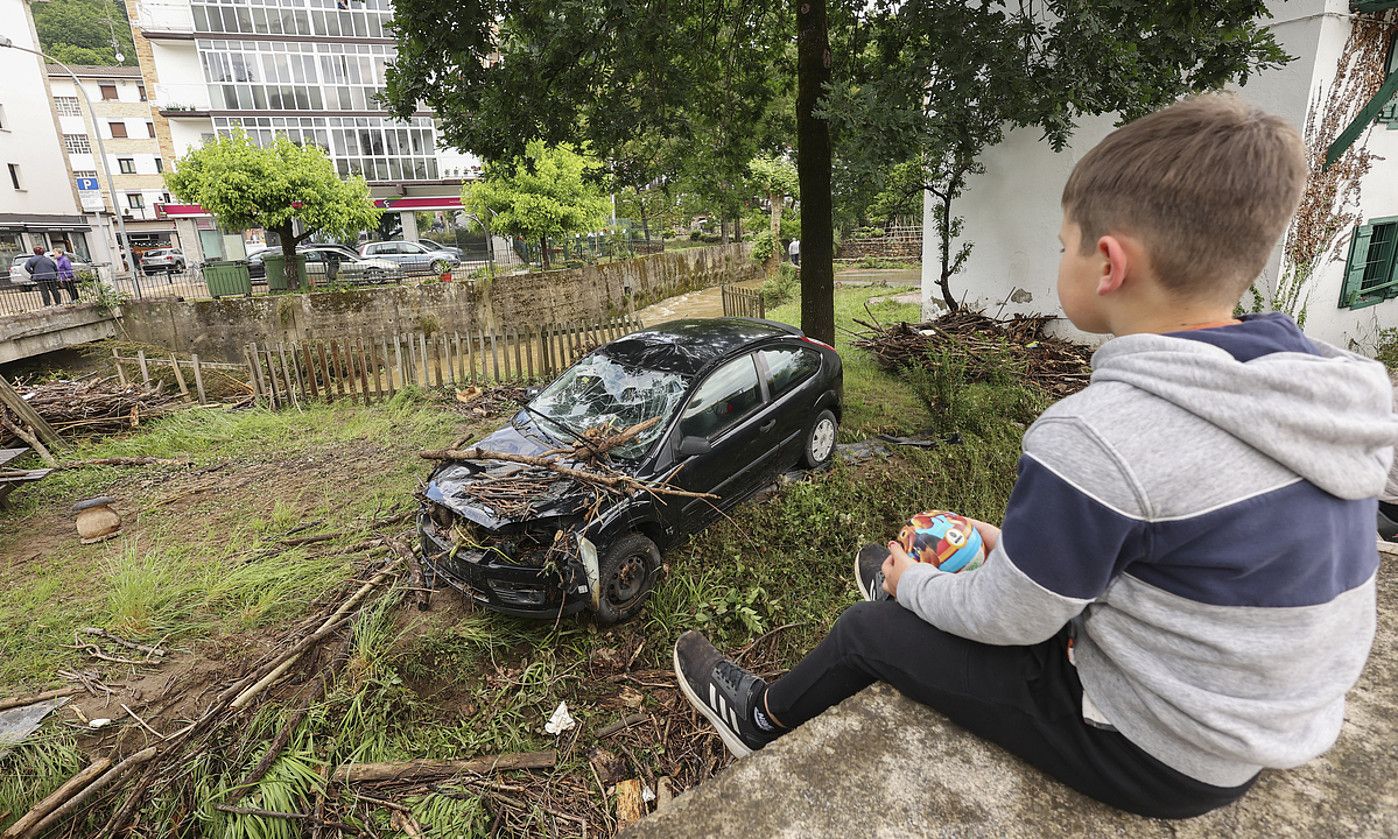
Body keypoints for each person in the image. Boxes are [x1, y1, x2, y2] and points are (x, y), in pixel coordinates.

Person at [672, 94, 1397, 820]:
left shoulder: (1096, 435)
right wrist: (1003, 543)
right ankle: (902, 583)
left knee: (870, 630)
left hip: (1162, 751)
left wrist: (917, 586)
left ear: (1108, 263)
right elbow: (1180, 539)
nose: (1060, 256)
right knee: (916, 577)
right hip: (1262, 718)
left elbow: (1014, 619)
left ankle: (760, 716)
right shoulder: (1324, 392)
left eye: (1062, 244)